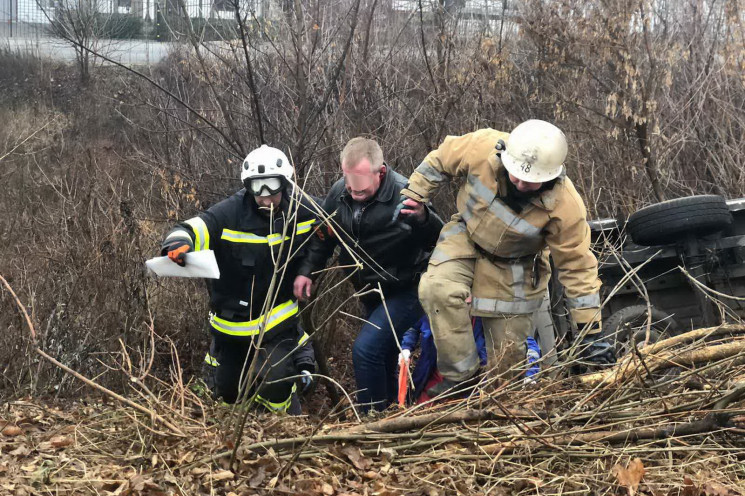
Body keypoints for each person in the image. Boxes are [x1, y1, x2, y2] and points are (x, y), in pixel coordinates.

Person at [399, 120, 614, 396]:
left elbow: (578, 269)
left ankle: (500, 407)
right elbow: (441, 158)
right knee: (436, 289)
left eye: (531, 181)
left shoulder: (566, 206)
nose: (522, 184)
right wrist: (415, 194)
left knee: (507, 366)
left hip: (516, 266)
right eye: (516, 176)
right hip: (466, 237)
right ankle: (461, 377)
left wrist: (590, 332)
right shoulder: (482, 147)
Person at [160, 145, 317, 413]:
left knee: (276, 382)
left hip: (277, 322)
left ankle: (284, 421)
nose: (265, 196)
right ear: (247, 186)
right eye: (257, 188)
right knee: (228, 391)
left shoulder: (302, 209)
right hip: (232, 328)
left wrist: (307, 268)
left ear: (285, 184)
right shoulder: (230, 213)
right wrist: (177, 244)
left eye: (271, 187)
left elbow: (328, 228)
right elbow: (193, 227)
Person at [293, 137, 444, 413]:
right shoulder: (340, 193)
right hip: (370, 291)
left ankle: (371, 423)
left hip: (407, 287)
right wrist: (307, 273)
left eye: (361, 191)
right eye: (350, 188)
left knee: (366, 350)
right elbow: (324, 237)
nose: (354, 195)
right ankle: (393, 417)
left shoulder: (405, 193)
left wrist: (423, 218)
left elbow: (438, 239)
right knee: (383, 356)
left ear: (380, 172)